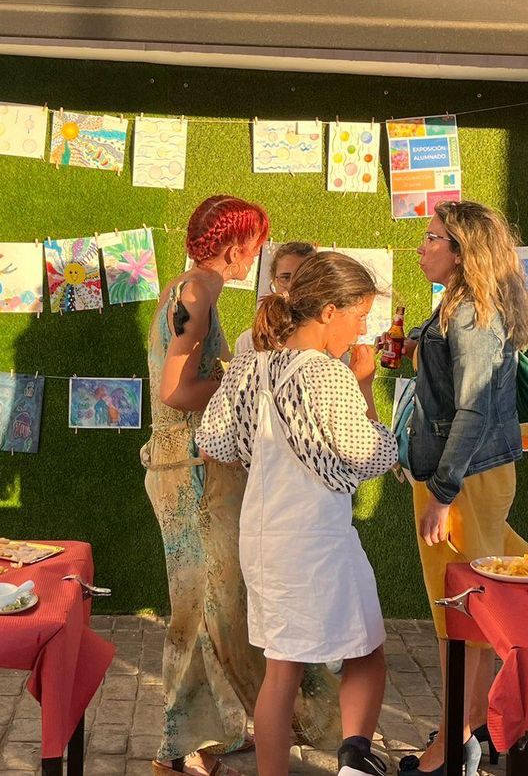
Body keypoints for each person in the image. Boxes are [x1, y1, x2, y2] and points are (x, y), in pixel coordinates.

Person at [142, 196, 335, 776]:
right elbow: (176, 391)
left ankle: (199, 738)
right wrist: (250, 381)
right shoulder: (197, 295)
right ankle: (181, 749)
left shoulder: (192, 289)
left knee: (213, 607)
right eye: (258, 247)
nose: (259, 257)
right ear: (236, 249)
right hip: (192, 472)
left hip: (194, 467)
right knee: (207, 608)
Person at [198, 252, 399, 776]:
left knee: (280, 670)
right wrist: (364, 384)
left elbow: (214, 441)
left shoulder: (248, 365)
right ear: (330, 311)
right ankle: (355, 761)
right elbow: (372, 456)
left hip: (262, 534)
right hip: (317, 536)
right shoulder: (328, 377)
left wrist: (267, 444)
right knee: (366, 650)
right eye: (359, 316)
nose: (361, 330)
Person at [401, 200, 528, 776]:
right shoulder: (461, 309)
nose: (422, 246)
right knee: (465, 606)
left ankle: (454, 743)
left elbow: (475, 410)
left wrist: (441, 491)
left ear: (462, 253)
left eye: (433, 238)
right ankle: (467, 729)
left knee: (459, 614)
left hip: (461, 479)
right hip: (459, 476)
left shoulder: (468, 315)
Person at [234, 242, 317, 355]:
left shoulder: (327, 340)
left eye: (302, 277)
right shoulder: (248, 341)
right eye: (285, 277)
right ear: (274, 281)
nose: (292, 285)